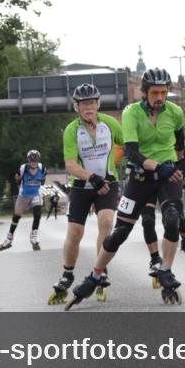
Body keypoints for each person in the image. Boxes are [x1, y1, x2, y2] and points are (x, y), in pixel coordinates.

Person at [66, 68, 185, 309]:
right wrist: (155, 167)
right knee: (120, 231)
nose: (160, 97)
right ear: (144, 93)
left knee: (172, 218)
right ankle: (95, 274)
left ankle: (165, 270)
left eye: (164, 92)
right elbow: (131, 150)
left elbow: (182, 149)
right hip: (142, 176)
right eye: (155, 92)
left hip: (167, 174)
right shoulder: (131, 112)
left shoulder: (175, 112)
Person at [48, 84, 124, 305]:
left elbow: (129, 143)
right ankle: (67, 274)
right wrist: (91, 177)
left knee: (106, 222)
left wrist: (127, 161)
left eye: (92, 103)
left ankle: (100, 270)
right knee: (75, 233)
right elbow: (70, 165)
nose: (88, 107)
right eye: (84, 104)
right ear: (77, 107)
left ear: (98, 104)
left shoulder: (110, 124)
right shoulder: (72, 130)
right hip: (81, 186)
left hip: (108, 184)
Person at [0, 149, 47, 252]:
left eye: (35, 161)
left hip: (36, 194)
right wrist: (20, 185)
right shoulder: (23, 168)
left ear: (38, 161)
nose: (34, 163)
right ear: (29, 160)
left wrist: (37, 183)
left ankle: (33, 237)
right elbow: (17, 178)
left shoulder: (42, 168)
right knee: (16, 217)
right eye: (32, 161)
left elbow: (43, 181)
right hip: (23, 195)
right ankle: (9, 239)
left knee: (37, 214)